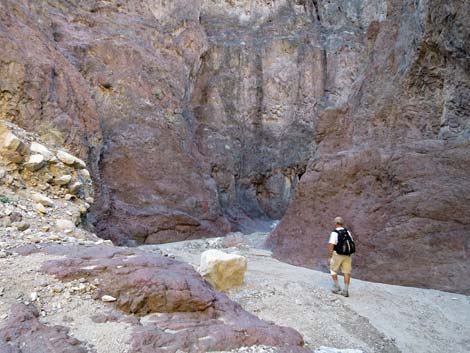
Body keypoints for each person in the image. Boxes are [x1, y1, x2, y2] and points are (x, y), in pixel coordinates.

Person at [327, 216, 353, 297]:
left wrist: (329, 257)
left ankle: (337, 287)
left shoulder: (334, 233)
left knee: (333, 270)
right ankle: (345, 291)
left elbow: (331, 246)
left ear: (336, 223)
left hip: (337, 254)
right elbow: (351, 242)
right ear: (342, 223)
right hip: (347, 255)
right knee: (347, 272)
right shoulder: (347, 232)